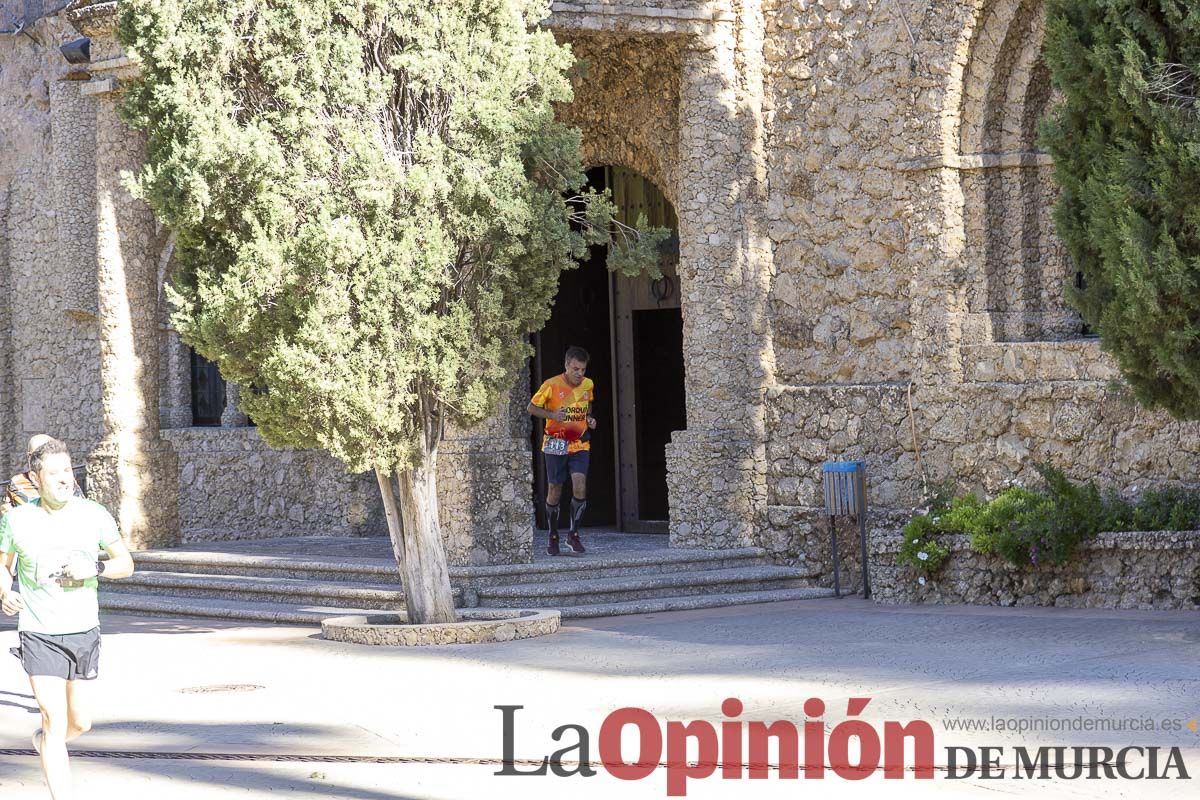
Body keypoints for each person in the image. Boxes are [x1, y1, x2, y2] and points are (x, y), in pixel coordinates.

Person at [0, 437, 135, 800]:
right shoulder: (16, 519)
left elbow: (126, 564)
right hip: (38, 632)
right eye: (54, 473)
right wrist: (5, 592)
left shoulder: (94, 514)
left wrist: (95, 568)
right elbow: (4, 565)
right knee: (54, 718)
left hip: (83, 630)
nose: (64, 479)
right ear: (35, 478)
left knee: (80, 722)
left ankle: (45, 741)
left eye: (67, 471)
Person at [529, 346, 598, 555]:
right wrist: (552, 414)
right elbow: (531, 408)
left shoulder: (588, 384)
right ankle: (553, 535)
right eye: (576, 369)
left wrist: (589, 419)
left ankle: (573, 534)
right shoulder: (551, 385)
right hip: (555, 443)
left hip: (579, 443)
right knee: (554, 489)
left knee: (580, 486)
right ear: (567, 365)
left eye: (583, 370)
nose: (579, 374)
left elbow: (588, 405)